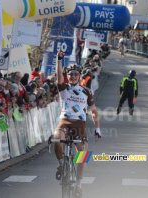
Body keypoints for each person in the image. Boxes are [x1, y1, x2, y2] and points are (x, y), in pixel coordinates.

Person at [54, 49, 101, 197]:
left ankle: (79, 185)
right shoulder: (63, 88)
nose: (73, 76)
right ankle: (62, 166)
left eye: (75, 74)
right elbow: (59, 75)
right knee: (57, 139)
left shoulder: (86, 91)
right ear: (67, 76)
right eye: (70, 74)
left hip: (80, 124)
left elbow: (93, 111)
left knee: (82, 155)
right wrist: (59, 60)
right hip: (65, 122)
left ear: (79, 76)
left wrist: (97, 128)